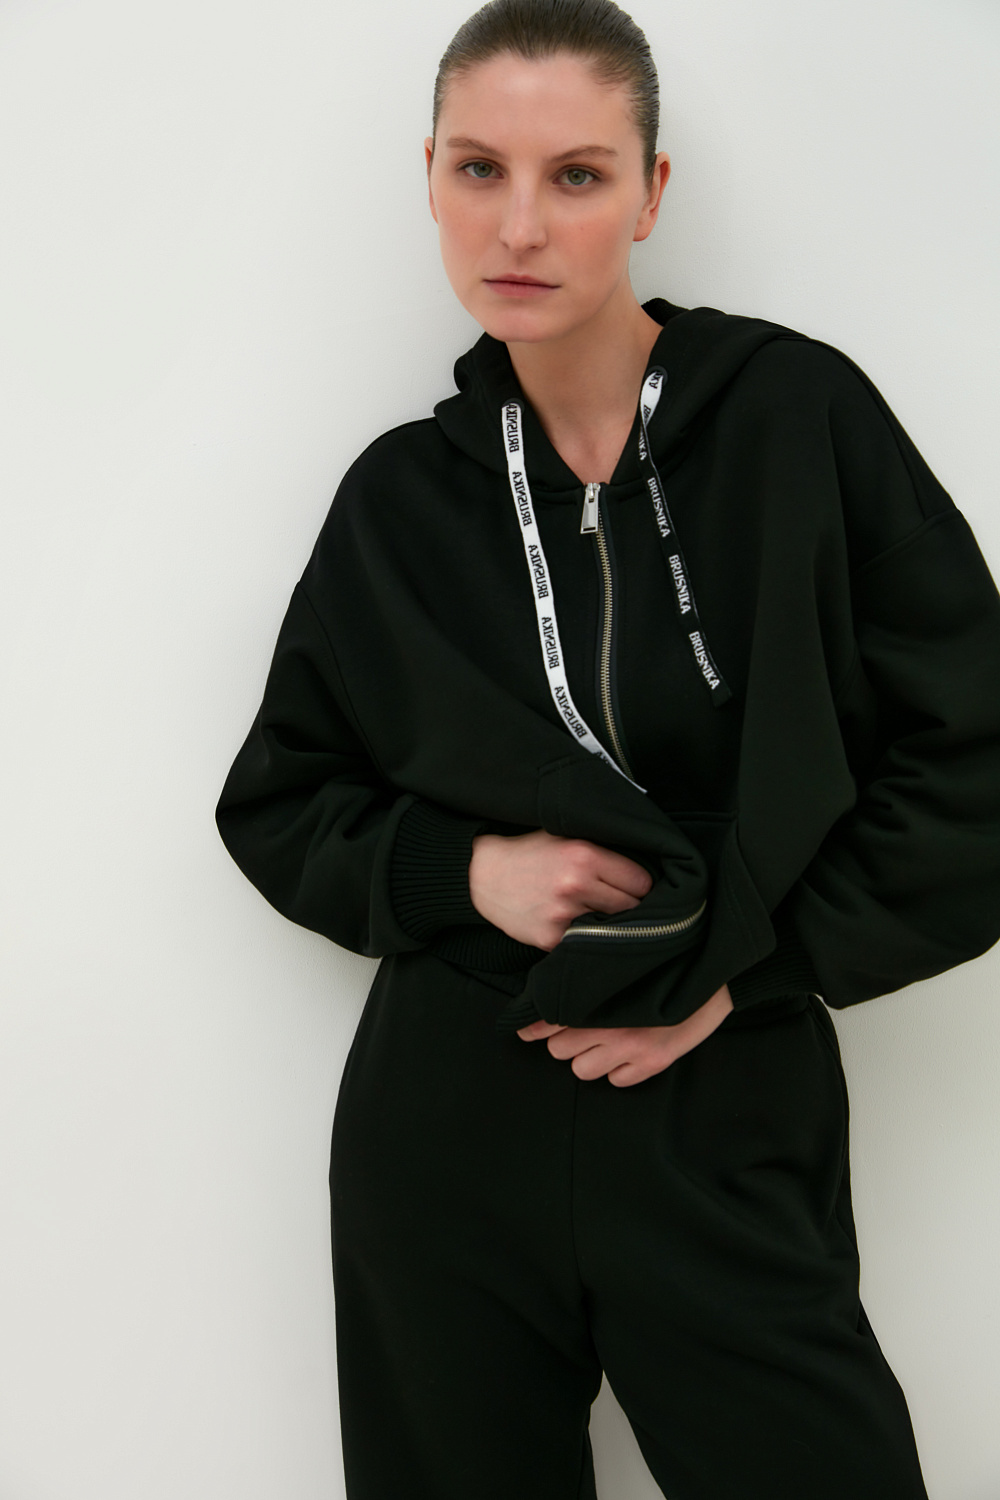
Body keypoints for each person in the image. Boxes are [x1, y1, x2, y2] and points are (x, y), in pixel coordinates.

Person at [214, 1, 1000, 1495]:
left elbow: (976, 759)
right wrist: (467, 873)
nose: (519, 225)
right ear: (429, 179)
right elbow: (281, 799)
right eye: (478, 169)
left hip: (720, 1096)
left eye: (576, 174)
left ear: (650, 192)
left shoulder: (796, 421)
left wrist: (748, 978)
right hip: (450, 1115)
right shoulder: (398, 501)